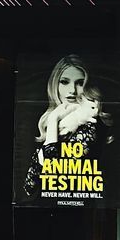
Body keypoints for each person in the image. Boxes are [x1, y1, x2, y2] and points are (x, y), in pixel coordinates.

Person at [22, 55, 112, 199]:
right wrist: (53, 120)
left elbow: (51, 167)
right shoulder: (42, 123)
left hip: (84, 209)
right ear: (55, 86)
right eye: (64, 82)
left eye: (80, 83)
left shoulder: (92, 124)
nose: (73, 90)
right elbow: (28, 188)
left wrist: (54, 123)